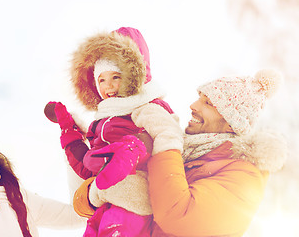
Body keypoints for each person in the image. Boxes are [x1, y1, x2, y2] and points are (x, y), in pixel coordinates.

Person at [73, 69, 288, 236]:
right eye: (199, 97)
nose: (193, 105)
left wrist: (165, 141)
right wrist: (94, 192)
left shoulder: (244, 175)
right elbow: (111, 199)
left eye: (208, 103)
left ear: (232, 123)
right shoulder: (187, 153)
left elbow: (177, 213)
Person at [44, 27, 183, 236]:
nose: (108, 87)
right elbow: (88, 166)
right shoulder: (102, 121)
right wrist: (70, 132)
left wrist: (135, 149)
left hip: (132, 202)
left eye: (116, 77)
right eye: (101, 79)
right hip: (102, 201)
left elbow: (170, 137)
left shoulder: (146, 106)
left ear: (133, 75)